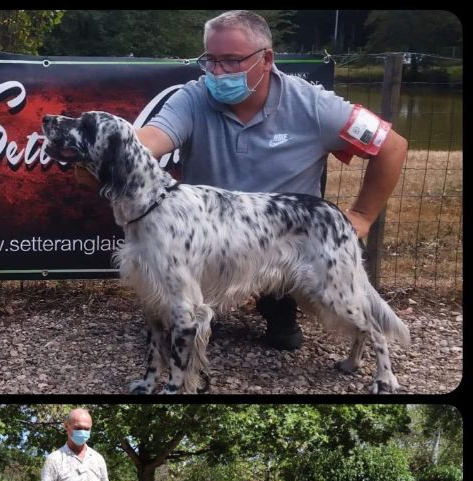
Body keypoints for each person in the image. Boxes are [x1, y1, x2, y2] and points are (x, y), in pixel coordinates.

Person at [135, 9, 408, 350]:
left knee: (286, 339)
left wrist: (363, 217)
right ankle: (206, 315)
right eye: (211, 60)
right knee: (185, 322)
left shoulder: (315, 105)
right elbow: (152, 139)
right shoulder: (191, 98)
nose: (218, 72)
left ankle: (280, 311)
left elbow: (392, 147)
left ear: (266, 59)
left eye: (232, 61)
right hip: (211, 245)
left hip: (287, 242)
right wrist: (116, 149)